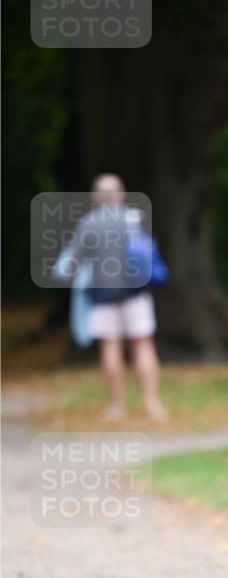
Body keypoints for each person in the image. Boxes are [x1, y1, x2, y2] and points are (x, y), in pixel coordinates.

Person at [63, 174, 168, 421]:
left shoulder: (88, 224)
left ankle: (117, 406)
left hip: (102, 295)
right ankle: (152, 402)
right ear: (121, 194)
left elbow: (72, 262)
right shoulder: (134, 219)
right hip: (136, 293)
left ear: (95, 196)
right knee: (143, 345)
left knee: (110, 346)